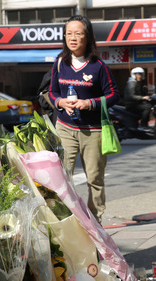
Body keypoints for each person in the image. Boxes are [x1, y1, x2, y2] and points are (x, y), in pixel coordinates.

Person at [48, 15, 120, 223]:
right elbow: (52, 93)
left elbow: (114, 95)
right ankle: (66, 220)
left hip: (94, 131)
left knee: (94, 180)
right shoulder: (60, 63)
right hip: (65, 128)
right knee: (62, 176)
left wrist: (89, 103)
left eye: (78, 33)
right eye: (69, 34)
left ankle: (95, 224)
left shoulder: (98, 66)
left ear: (87, 38)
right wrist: (61, 102)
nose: (73, 38)